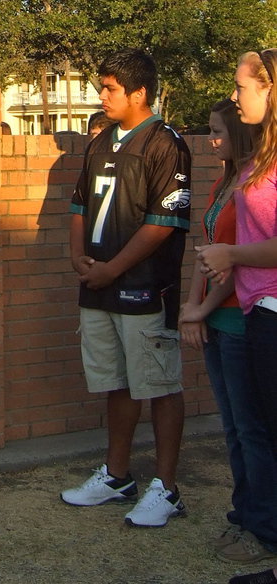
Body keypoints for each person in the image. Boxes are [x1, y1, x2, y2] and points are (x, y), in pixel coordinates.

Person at [60, 48, 191, 527]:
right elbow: (78, 207)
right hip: (98, 286)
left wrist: (113, 268)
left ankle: (167, 488)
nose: (102, 95)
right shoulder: (100, 142)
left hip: (142, 288)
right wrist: (79, 259)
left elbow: (163, 223)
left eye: (110, 88)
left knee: (158, 385)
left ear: (140, 92)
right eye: (102, 86)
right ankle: (117, 476)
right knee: (116, 382)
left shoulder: (166, 143)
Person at [179, 98, 277, 568]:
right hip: (219, 316)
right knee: (235, 430)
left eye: (218, 131)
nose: (212, 139)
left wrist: (199, 309)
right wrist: (192, 307)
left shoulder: (254, 184)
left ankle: (262, 524)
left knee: (252, 430)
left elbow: (236, 257)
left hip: (243, 315)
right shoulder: (223, 182)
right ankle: (245, 513)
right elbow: (209, 251)